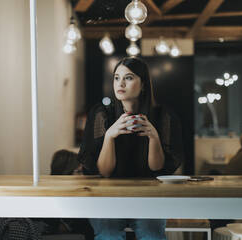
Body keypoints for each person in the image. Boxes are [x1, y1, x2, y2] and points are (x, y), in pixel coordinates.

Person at [77, 57, 183, 240]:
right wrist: (110, 136)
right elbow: (105, 171)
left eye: (129, 78)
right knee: (108, 235)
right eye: (117, 78)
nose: (121, 83)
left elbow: (157, 168)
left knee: (152, 235)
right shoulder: (102, 114)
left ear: (143, 85)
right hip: (108, 195)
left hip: (147, 196)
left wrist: (154, 137)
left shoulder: (162, 115)